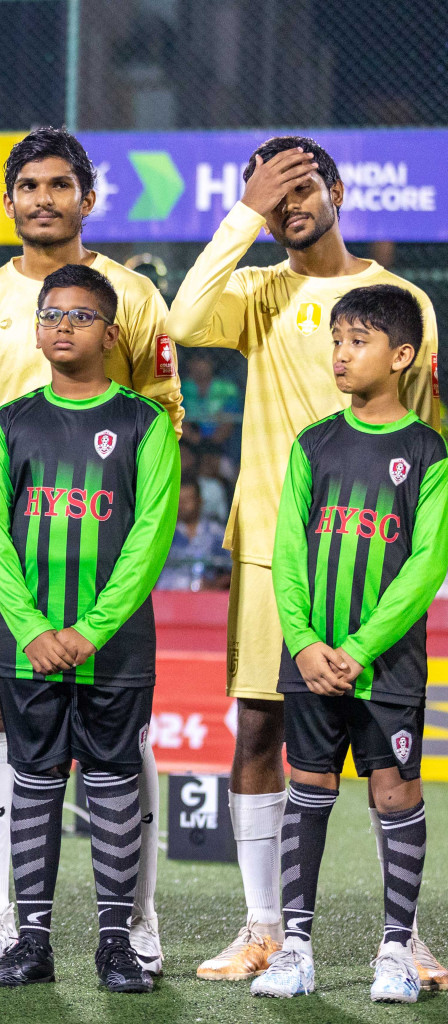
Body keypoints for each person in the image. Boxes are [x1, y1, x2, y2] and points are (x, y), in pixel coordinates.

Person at [167, 136, 445, 986]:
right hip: (272, 554)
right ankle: (264, 927)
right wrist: (243, 212)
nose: (289, 202)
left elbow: (425, 428)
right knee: (259, 727)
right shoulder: (256, 290)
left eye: (301, 185)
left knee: (385, 752)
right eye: (271, 189)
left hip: (374, 560)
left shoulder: (401, 301)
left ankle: (404, 938)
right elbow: (180, 323)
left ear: (338, 189)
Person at [0, 127, 182, 974]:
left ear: (88, 196)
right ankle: (7, 923)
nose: (44, 198)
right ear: (9, 200)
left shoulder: (138, 309)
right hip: (15, 572)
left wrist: (90, 619)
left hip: (109, 592)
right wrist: (30, 604)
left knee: (119, 760)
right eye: (29, 186)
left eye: (61, 184)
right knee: (3, 731)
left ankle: (131, 926)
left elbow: (162, 442)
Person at [254, 285, 448, 1003]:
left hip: (385, 666)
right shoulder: (315, 443)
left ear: (402, 356)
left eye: (359, 340)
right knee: (307, 789)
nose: (341, 353)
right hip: (310, 662)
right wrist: (304, 642)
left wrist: (360, 646)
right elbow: (289, 550)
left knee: (396, 792)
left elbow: (426, 564)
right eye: (337, 339)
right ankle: (294, 948)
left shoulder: (428, 451)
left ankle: (397, 949)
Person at [157, 482, 232, 591]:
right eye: (179, 500)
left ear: (200, 501)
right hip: (165, 599)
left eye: (187, 500)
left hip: (206, 601)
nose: (181, 505)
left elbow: (233, 569)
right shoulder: (163, 533)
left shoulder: (216, 533)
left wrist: (214, 585)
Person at [182, 352, 242, 447]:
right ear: (189, 363)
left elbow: (230, 420)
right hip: (189, 440)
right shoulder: (180, 388)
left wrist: (212, 443)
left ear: (212, 363)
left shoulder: (227, 389)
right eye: (197, 360)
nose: (200, 365)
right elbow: (177, 418)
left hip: (222, 442)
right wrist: (194, 439)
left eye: (204, 360)